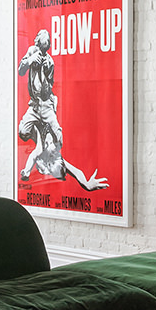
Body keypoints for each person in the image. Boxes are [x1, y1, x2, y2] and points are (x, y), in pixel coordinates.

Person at [17, 29, 109, 191]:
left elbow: (48, 86)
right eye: (55, 156)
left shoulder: (40, 151)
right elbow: (21, 70)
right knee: (37, 133)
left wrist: (45, 71)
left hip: (42, 105)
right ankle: (44, 120)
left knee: (23, 132)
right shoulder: (55, 149)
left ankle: (39, 125)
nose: (53, 153)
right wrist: (86, 184)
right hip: (43, 107)